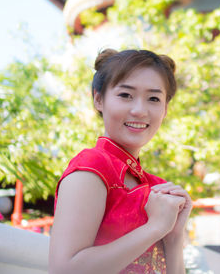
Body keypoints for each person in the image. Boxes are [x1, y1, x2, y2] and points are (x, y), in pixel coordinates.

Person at [49, 49, 192, 273]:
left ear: (165, 109)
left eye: (154, 98)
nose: (139, 110)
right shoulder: (92, 167)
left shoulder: (158, 188)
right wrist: (155, 227)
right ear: (98, 99)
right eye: (125, 95)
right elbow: (64, 269)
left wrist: (174, 236)